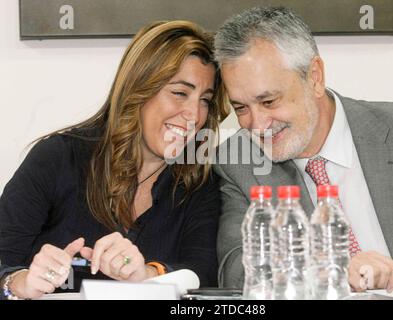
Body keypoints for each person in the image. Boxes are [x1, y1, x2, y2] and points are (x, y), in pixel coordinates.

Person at [0, 20, 229, 300]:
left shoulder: (199, 180)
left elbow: (204, 273)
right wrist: (19, 282)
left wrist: (148, 274)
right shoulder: (59, 158)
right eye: (180, 93)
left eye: (205, 100)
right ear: (138, 88)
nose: (194, 115)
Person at [213, 6, 393, 293]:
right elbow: (236, 272)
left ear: (315, 77)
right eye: (241, 108)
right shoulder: (239, 162)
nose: (256, 126)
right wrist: (330, 267)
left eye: (269, 101)